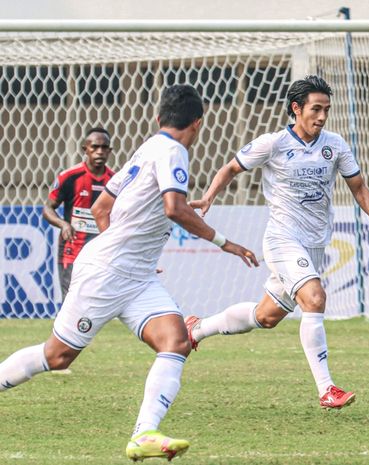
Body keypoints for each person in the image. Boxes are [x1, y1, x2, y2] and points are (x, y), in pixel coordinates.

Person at [0, 85, 259, 461]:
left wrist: (129, 252)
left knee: (176, 342)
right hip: (107, 273)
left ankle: (145, 433)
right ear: (199, 123)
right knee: (57, 358)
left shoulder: (149, 146)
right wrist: (225, 242)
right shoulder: (174, 152)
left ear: (159, 118)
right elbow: (174, 207)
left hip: (135, 275)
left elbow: (104, 206)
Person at [185, 75, 369, 409]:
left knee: (266, 316)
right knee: (314, 298)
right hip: (283, 238)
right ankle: (327, 388)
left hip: (314, 245)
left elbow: (358, 186)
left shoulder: (335, 145)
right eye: (316, 109)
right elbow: (230, 168)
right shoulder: (273, 143)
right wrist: (208, 198)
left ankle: (196, 329)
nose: (322, 116)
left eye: (326, 109)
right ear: (296, 108)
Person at [43, 127, 115, 300]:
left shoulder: (115, 181)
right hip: (72, 250)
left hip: (101, 252)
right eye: (95, 147)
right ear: (85, 149)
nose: (100, 152)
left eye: (104, 148)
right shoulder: (69, 177)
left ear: (110, 151)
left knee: (94, 302)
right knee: (71, 301)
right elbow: (48, 208)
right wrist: (63, 224)